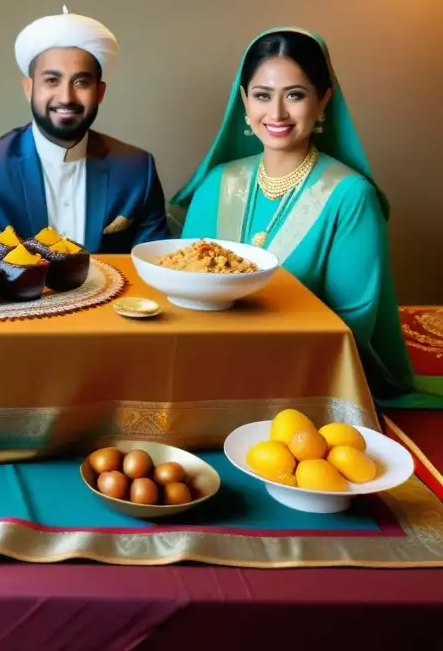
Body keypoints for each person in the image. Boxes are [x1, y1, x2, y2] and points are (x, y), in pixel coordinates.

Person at [171, 26, 435, 407]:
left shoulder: (349, 196)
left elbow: (351, 325)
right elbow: (182, 291)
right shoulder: (217, 183)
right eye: (262, 95)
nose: (277, 113)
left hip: (304, 382)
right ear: (244, 101)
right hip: (202, 372)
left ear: (324, 100)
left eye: (295, 95)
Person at [0, 7, 171, 252]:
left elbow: (155, 263)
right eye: (51, 81)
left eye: (81, 82)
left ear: (100, 92)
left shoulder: (137, 169)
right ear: (28, 89)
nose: (66, 97)